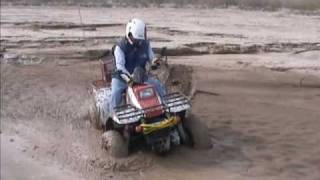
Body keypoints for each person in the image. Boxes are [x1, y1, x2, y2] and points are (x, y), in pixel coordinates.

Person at [110, 18, 166, 111]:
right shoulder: (120, 48)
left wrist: (155, 61)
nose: (138, 42)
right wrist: (130, 78)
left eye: (140, 39)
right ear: (129, 34)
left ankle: (165, 108)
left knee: (158, 86)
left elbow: (151, 57)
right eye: (136, 39)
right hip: (122, 77)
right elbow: (120, 66)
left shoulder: (145, 44)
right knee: (116, 94)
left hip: (140, 75)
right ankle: (111, 117)